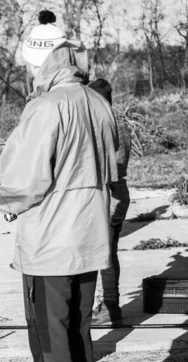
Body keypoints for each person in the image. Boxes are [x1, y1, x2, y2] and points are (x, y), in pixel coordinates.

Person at [0, 10, 119, 362]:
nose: (30, 74)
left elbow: (21, 184)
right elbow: (112, 166)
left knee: (53, 339)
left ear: (42, 62)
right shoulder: (98, 103)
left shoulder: (44, 108)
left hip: (50, 248)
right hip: (91, 240)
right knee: (79, 332)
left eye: (31, 67)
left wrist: (3, 200)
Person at [87, 78, 132, 325]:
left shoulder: (105, 122)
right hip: (118, 194)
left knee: (103, 256)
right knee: (108, 253)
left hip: (109, 197)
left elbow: (109, 164)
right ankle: (110, 307)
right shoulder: (119, 121)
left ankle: (109, 309)